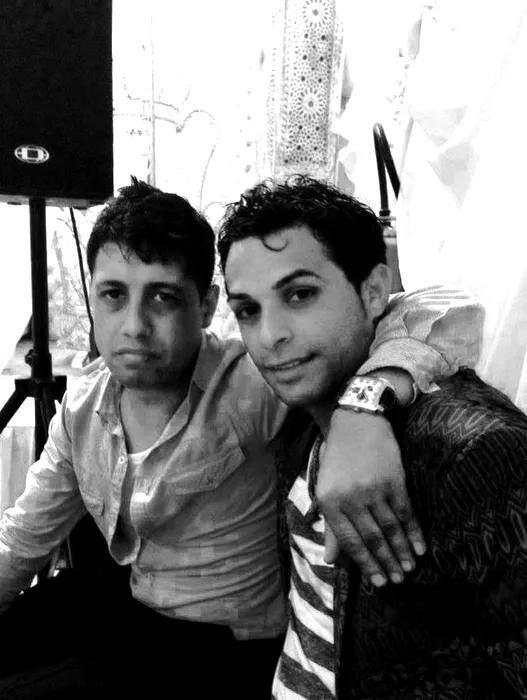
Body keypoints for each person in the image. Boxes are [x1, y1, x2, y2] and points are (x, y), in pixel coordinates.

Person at [0, 178, 482, 698]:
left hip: (224, 646)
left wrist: (362, 409)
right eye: (113, 295)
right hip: (127, 601)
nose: (134, 326)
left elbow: (446, 308)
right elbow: (23, 537)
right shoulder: (81, 405)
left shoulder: (253, 380)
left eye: (163, 297)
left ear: (207, 306)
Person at [218, 173, 527, 699]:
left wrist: (364, 404)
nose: (269, 337)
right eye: (248, 309)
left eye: (300, 294)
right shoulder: (299, 420)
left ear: (374, 291)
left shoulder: (473, 453)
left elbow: (445, 305)